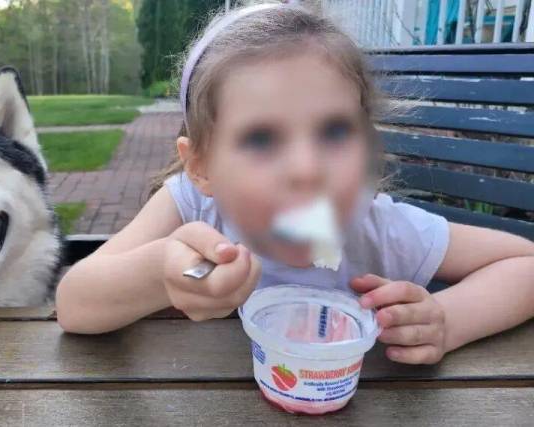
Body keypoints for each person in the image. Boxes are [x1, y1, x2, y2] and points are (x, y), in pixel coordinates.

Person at [56, 2, 534, 365]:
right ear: (201, 167)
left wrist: (449, 319)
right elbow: (74, 304)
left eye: (334, 131)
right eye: (262, 138)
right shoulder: (190, 208)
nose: (307, 169)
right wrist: (158, 272)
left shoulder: (377, 227)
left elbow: (525, 264)